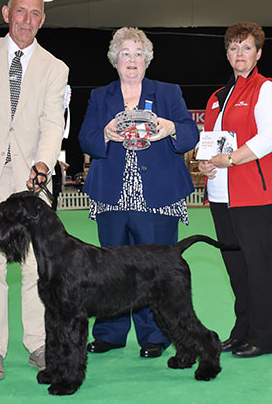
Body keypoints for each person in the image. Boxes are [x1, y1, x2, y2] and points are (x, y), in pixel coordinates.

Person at [78, 27, 199, 358]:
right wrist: (103, 133)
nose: (131, 60)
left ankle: (155, 336)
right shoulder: (100, 96)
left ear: (147, 59)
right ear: (115, 60)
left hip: (157, 195)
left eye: (138, 53)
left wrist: (172, 127)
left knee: (154, 269)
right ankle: (110, 333)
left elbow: (189, 135)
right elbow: (85, 139)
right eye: (125, 53)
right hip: (111, 196)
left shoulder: (168, 92)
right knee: (110, 269)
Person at [0, 0, 69, 380]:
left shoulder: (55, 67)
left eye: (34, 14)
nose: (26, 20)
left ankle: (39, 343)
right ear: (6, 13)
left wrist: (43, 165)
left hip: (31, 184)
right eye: (20, 12)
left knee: (35, 268)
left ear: (42, 20)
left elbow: (52, 123)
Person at [198, 22, 272, 358]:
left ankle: (264, 334)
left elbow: (266, 139)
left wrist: (229, 159)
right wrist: (207, 163)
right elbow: (210, 143)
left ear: (258, 53)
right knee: (236, 271)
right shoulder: (216, 98)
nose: (238, 54)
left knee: (259, 269)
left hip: (254, 196)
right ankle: (242, 330)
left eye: (246, 48)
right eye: (233, 48)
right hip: (220, 196)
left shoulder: (265, 89)